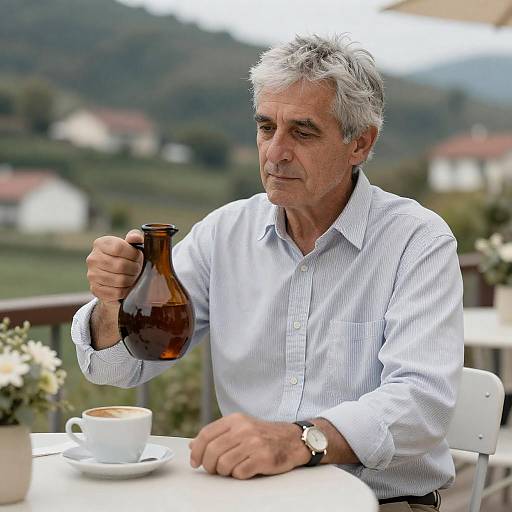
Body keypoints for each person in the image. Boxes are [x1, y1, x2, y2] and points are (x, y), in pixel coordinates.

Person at [72, 34, 463, 511]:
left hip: (384, 504)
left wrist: (299, 441)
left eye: (302, 132)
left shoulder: (417, 241)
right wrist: (115, 302)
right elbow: (121, 368)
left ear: (360, 143)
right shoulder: (223, 234)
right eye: (265, 127)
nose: (275, 152)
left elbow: (422, 403)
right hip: (246, 500)